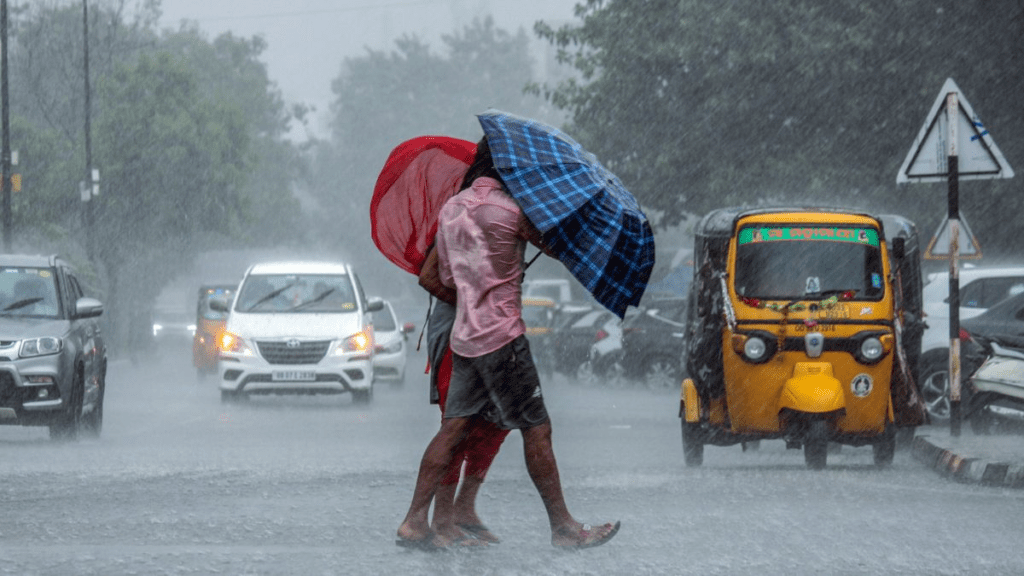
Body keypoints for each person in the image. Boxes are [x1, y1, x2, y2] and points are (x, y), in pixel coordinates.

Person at [396, 137, 620, 551]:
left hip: (465, 338)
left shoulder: (452, 210)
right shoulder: (512, 211)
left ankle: (413, 521)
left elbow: (443, 276)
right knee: (537, 429)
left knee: (452, 429)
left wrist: (477, 287)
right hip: (503, 338)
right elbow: (559, 248)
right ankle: (565, 528)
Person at [419, 245, 510, 546]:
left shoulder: (505, 221)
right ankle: (441, 520)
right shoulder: (455, 217)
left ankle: (464, 509)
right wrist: (471, 302)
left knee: (497, 423)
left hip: (493, 337)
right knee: (458, 425)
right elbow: (428, 278)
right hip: (456, 341)